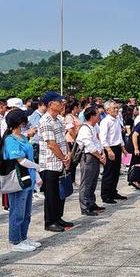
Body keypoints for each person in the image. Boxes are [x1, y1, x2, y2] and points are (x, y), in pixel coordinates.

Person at [2, 109, 42, 251]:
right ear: (20, 122)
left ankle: (23, 237)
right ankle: (15, 241)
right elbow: (21, 160)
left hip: (28, 180)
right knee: (17, 212)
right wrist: (38, 167)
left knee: (26, 213)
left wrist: (36, 175)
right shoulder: (10, 140)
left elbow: (29, 159)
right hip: (18, 181)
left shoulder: (23, 137)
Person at [38, 91, 73, 232]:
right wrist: (63, 157)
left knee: (60, 193)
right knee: (51, 194)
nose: (62, 104)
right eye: (59, 102)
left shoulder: (58, 119)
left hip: (61, 161)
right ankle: (50, 221)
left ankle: (58, 217)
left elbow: (63, 139)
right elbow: (51, 144)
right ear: (51, 104)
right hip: (50, 163)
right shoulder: (45, 121)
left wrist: (68, 154)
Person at [76, 107, 107, 216]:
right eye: (97, 114)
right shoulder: (85, 128)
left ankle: (91, 202)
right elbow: (89, 145)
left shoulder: (95, 127)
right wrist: (100, 156)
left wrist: (102, 153)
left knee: (93, 181)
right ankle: (85, 206)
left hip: (96, 156)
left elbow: (98, 141)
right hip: (88, 157)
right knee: (86, 182)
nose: (99, 116)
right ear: (92, 116)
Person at [99, 101, 127, 204]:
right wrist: (108, 150)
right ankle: (106, 195)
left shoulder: (117, 119)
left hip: (117, 147)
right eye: (114, 108)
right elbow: (103, 138)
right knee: (109, 172)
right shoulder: (105, 121)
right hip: (109, 148)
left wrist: (123, 147)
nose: (116, 110)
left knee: (116, 171)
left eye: (117, 108)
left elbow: (119, 136)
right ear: (107, 110)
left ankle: (113, 192)